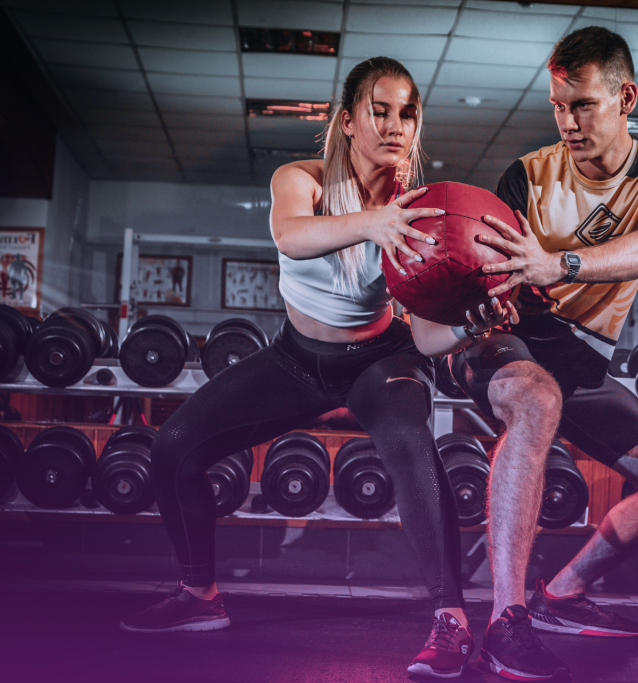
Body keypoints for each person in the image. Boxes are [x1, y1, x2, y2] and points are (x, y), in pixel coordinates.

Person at [119, 56, 511, 680]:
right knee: (172, 448)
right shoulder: (299, 179)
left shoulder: (423, 210)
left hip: (382, 361)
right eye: (378, 111)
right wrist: (373, 223)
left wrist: (474, 321)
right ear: (347, 121)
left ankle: (452, 621)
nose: (394, 125)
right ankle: (199, 597)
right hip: (297, 360)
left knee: (415, 447)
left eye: (406, 113)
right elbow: (290, 235)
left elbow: (432, 337)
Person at [446, 26, 638, 681]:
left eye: (584, 103)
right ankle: (508, 620)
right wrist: (486, 294)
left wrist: (557, 262)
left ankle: (562, 591)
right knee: (536, 398)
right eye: (559, 105)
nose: (568, 120)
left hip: (581, 355)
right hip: (507, 342)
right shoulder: (528, 175)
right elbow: (492, 272)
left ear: (625, 97)